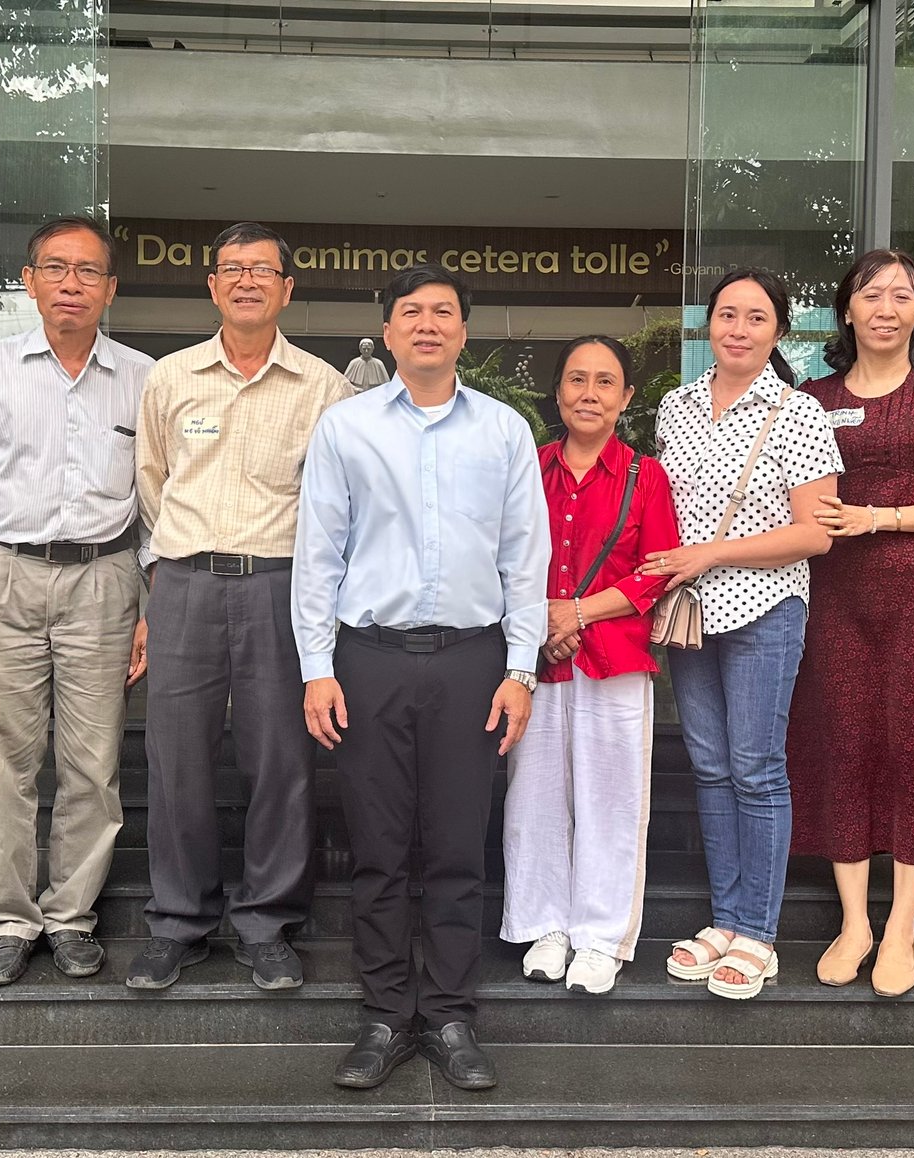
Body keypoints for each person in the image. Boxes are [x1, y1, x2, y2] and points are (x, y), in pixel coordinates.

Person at [293, 264, 549, 1092]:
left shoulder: (503, 431)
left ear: (464, 332)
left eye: (443, 312)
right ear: (389, 331)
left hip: (473, 661)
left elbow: (526, 558)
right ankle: (382, 1015)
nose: (428, 324)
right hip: (367, 659)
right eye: (412, 312)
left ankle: (448, 1014)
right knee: (377, 847)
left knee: (456, 846)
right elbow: (318, 555)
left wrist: (519, 669)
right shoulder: (346, 428)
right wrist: (316, 669)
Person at [0, 215, 153, 986]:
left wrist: (149, 611)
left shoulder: (144, 377)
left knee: (93, 761)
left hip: (104, 580)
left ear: (110, 289)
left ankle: (71, 916)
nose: (71, 284)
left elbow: (156, 507)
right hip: (6, 576)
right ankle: (11, 922)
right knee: (4, 758)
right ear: (29, 282)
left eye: (88, 271)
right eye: (56, 268)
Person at [131, 222, 353, 992]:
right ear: (212, 286)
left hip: (280, 587)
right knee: (176, 758)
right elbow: (152, 482)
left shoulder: (324, 387)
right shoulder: (171, 378)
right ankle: (179, 920)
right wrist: (169, 573)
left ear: (288, 288)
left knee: (280, 759)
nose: (246, 280)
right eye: (232, 268)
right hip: (185, 583)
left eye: (262, 269)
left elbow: (336, 506)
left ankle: (267, 923)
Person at [788, 249, 914, 999]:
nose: (885, 308)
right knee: (841, 743)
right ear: (846, 309)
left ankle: (902, 923)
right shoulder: (809, 398)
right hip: (832, 595)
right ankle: (854, 922)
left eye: (902, 296)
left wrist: (881, 516)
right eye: (871, 294)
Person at [642, 269, 842, 1001]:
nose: (738, 328)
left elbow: (816, 534)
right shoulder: (677, 405)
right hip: (690, 611)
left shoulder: (799, 412)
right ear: (709, 324)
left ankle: (758, 930)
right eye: (727, 314)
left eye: (756, 317)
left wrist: (712, 554)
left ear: (778, 330)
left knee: (755, 768)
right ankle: (725, 919)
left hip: (765, 607)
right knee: (710, 766)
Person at [500, 336, 679, 996]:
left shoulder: (644, 476)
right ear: (557, 393)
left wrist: (575, 613)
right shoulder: (529, 467)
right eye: (577, 379)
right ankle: (545, 925)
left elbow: (657, 571)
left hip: (615, 659)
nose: (590, 393)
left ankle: (601, 937)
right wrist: (541, 625)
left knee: (611, 800)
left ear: (625, 397)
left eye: (606, 382)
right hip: (537, 661)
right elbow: (504, 558)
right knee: (534, 796)